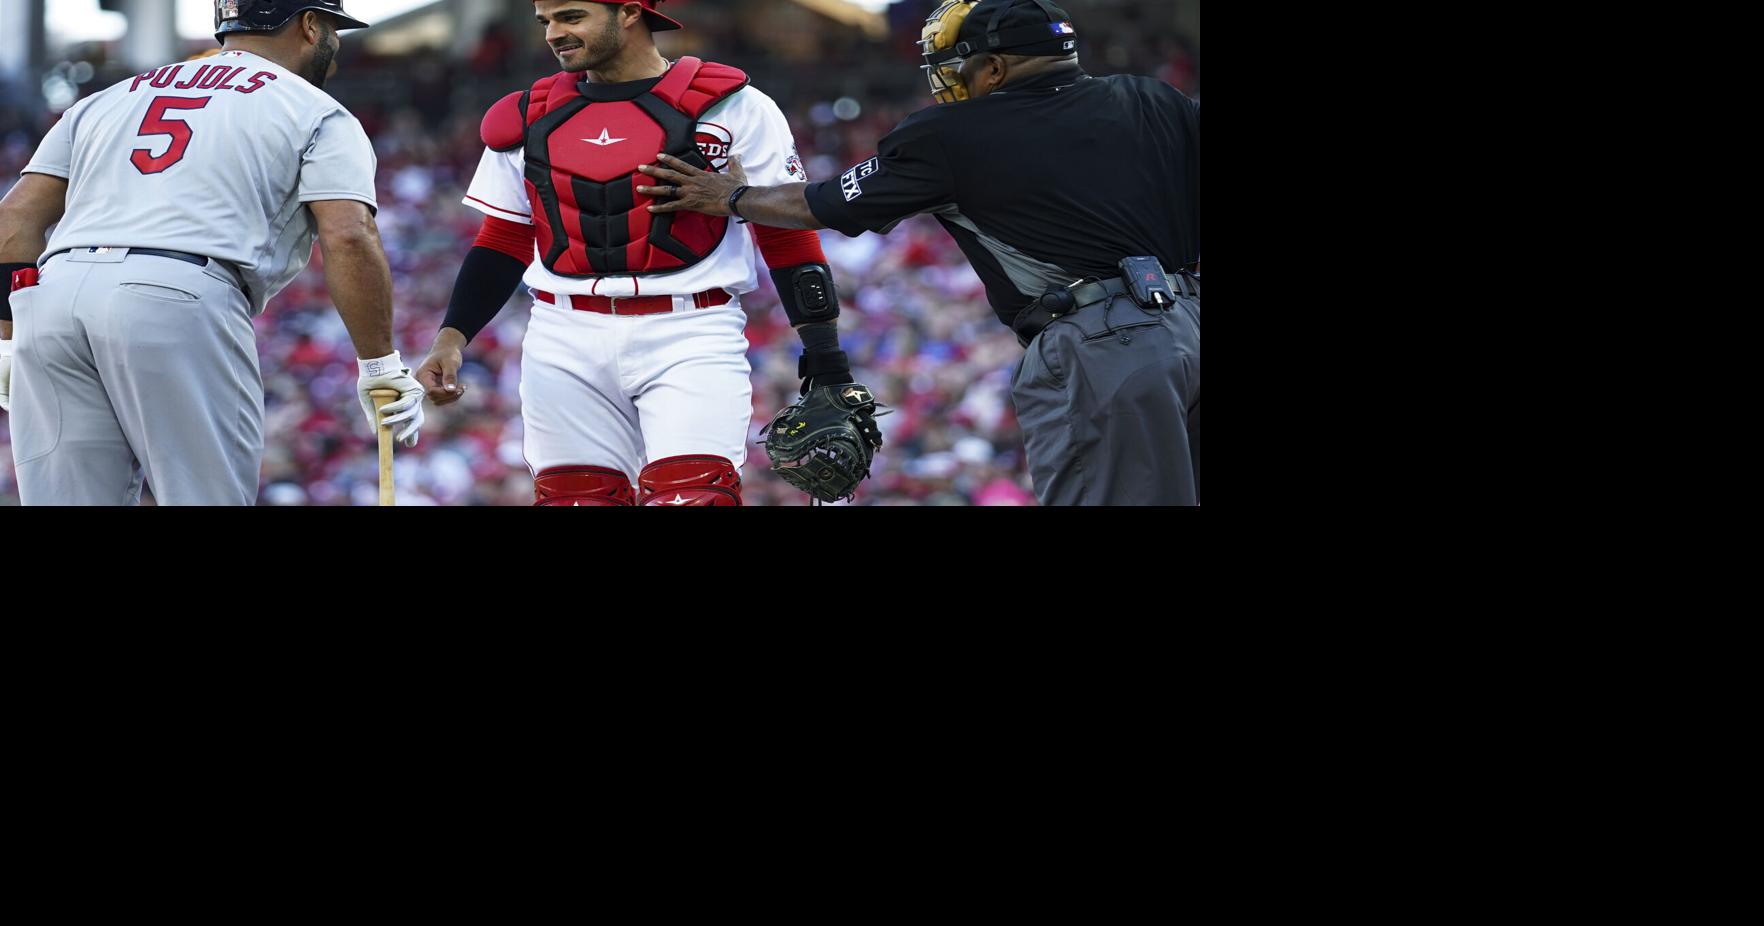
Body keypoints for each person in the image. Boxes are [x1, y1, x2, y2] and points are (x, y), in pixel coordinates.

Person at [639, 0, 1200, 505]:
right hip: (1190, 321)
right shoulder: (1154, 98)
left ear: (996, 67)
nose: (947, 79)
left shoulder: (951, 132)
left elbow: (823, 204)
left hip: (1104, 347)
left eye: (957, 65)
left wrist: (732, 196)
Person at [414, 0, 872, 506]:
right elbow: (504, 238)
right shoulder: (526, 115)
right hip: (562, 334)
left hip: (691, 329)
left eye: (571, 16)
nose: (552, 34)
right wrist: (451, 338)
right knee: (575, 498)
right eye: (546, 21)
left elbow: (787, 235)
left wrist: (827, 357)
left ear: (630, 12)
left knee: (696, 496)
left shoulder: (733, 106)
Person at [0, 0, 424, 506]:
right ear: (310, 26)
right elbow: (350, 235)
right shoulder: (315, 108)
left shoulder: (110, 97)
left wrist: (7, 336)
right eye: (332, 27)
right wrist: (379, 366)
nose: (334, 47)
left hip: (54, 296)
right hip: (177, 294)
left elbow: (15, 219)